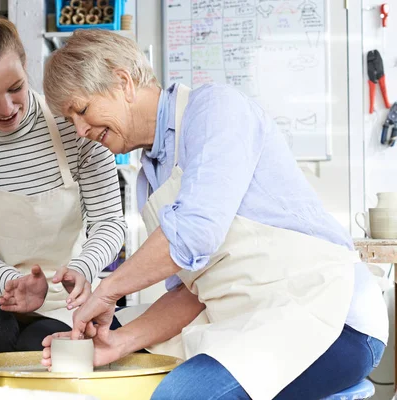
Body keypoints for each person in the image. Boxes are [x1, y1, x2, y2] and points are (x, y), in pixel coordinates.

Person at [40, 29, 388, 400]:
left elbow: (195, 232)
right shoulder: (149, 175)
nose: (80, 130)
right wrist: (119, 343)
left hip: (329, 315)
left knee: (179, 396)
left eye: (81, 110)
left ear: (123, 82)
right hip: (247, 316)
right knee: (114, 374)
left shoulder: (216, 109)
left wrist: (108, 289)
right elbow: (192, 293)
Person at [0, 5, 126, 355]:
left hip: (64, 292)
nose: (6, 108)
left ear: (25, 64)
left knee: (44, 347)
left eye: (14, 88)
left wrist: (82, 268)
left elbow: (108, 223)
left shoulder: (76, 126)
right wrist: (12, 283)